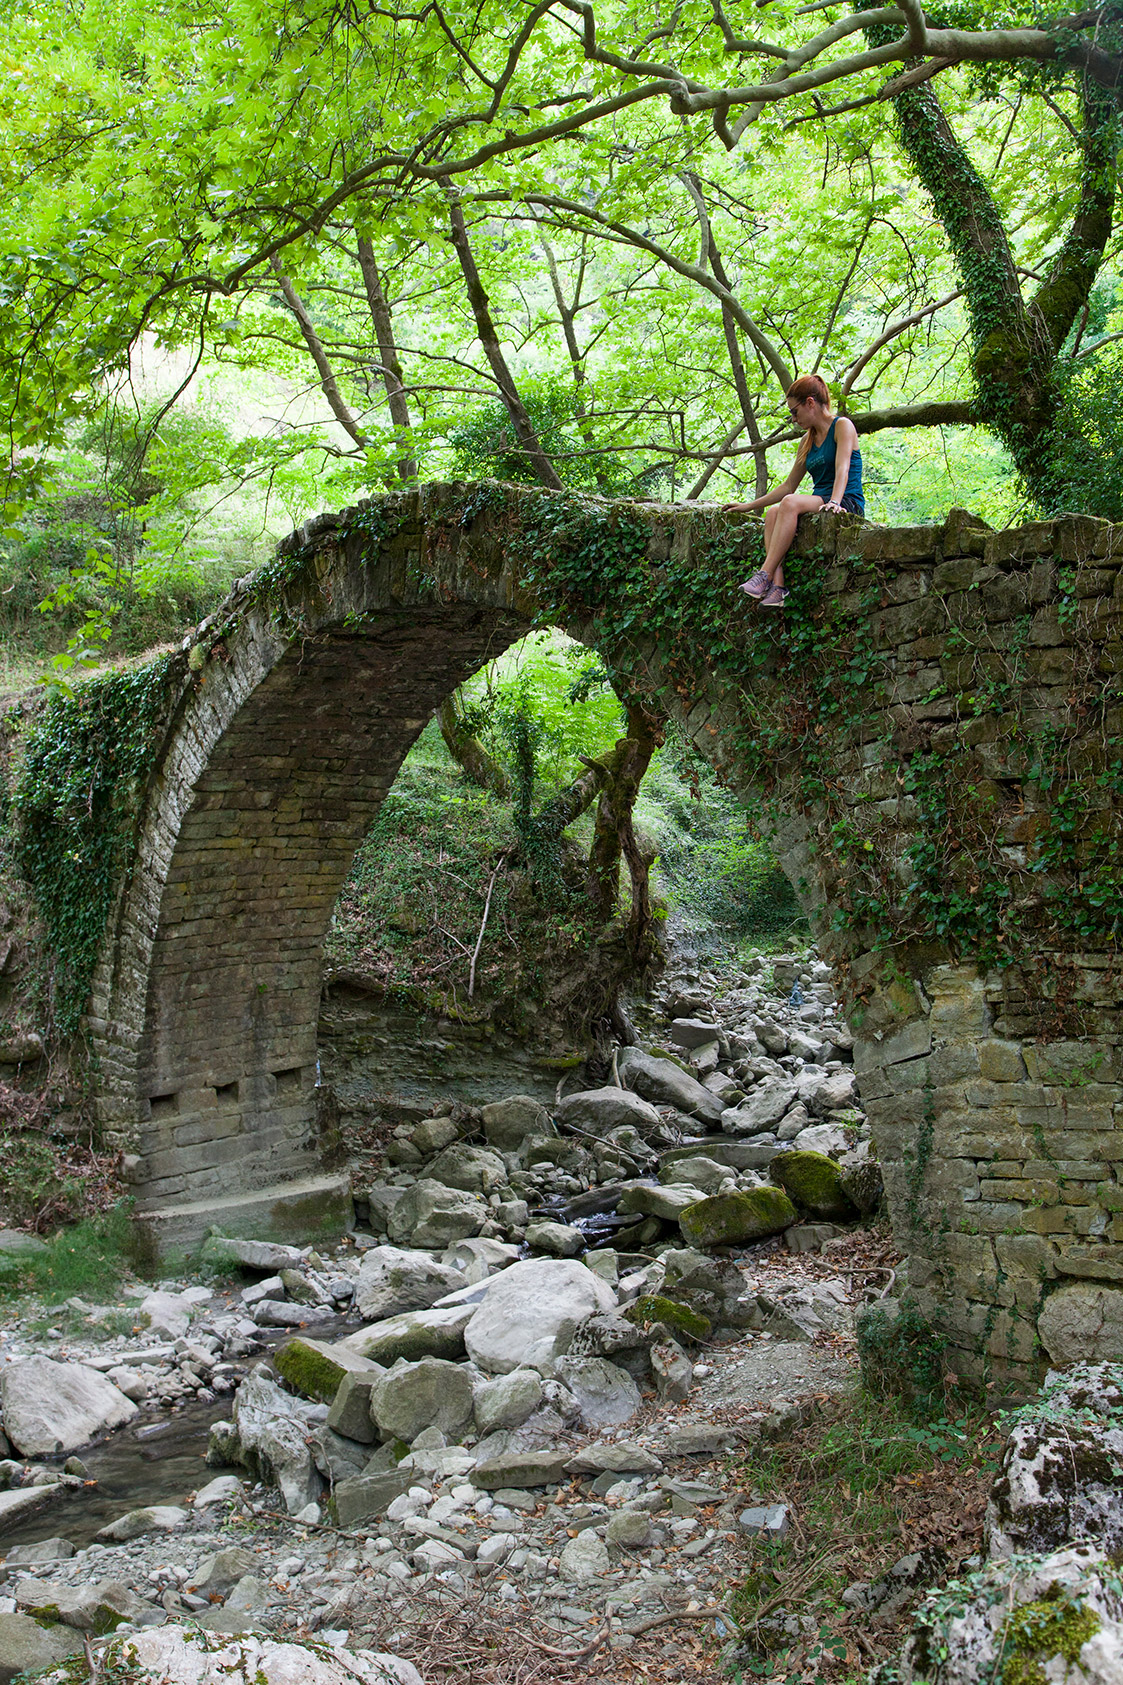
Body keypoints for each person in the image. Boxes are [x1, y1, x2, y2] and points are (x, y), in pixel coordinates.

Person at [725, 374, 864, 609]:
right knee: (773, 513)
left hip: (845, 500)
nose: (793, 418)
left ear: (810, 403)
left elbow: (843, 468)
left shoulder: (842, 426)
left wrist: (834, 501)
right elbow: (789, 485)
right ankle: (777, 588)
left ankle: (764, 574)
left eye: (794, 411)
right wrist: (748, 506)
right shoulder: (806, 441)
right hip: (821, 499)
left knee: (789, 503)